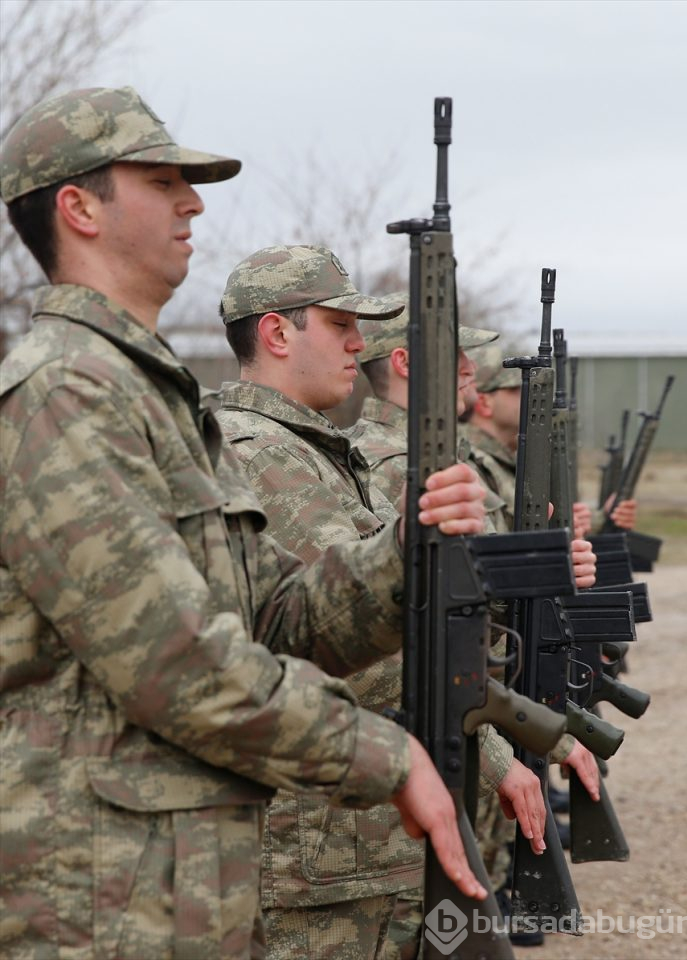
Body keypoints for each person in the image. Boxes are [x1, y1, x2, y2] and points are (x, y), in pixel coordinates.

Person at [0, 87, 488, 960]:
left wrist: (409, 551)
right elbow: (173, 660)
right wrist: (386, 755)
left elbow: (272, 624)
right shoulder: (64, 392)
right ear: (77, 207)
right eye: (161, 181)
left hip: (177, 894)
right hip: (96, 905)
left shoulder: (157, 399)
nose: (192, 202)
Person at [214, 245, 548, 959]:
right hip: (327, 844)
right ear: (277, 334)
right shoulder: (260, 455)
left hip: (357, 834)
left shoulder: (314, 452)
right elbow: (348, 647)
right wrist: (490, 737)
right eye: (340, 325)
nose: (359, 345)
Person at [350, 307, 601, 948]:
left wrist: (547, 562)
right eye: (457, 355)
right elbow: (414, 626)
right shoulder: (385, 463)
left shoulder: (426, 458)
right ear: (406, 364)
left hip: (476, 695)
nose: (474, 373)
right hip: (433, 719)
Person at [464, 342, 637, 537]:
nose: (531, 395)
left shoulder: (506, 459)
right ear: (485, 403)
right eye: (517, 389)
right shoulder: (469, 463)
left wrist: (600, 518)